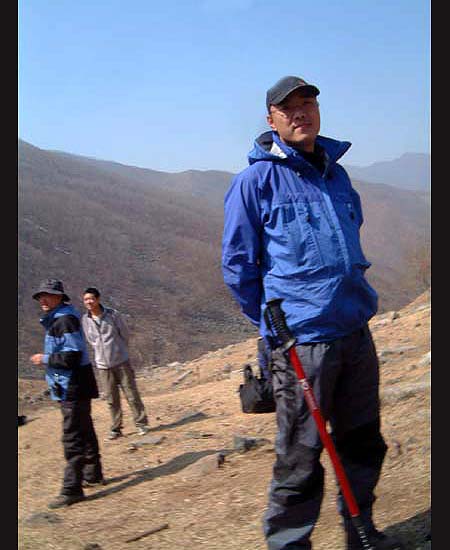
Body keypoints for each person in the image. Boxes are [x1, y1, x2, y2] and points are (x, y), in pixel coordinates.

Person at [222, 76, 403, 549]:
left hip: (354, 332)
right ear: (271, 120)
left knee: (363, 442)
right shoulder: (254, 183)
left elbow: (351, 236)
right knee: (300, 457)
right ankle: (290, 543)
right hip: (302, 343)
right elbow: (238, 266)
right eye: (289, 108)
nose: (301, 113)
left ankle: (361, 532)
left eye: (308, 104)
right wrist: (273, 323)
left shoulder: (336, 175)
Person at [30, 278, 104, 509]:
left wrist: (44, 359)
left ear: (59, 297)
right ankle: (92, 473)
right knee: (85, 429)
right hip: (76, 383)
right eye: (40, 296)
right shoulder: (60, 317)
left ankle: (72, 489)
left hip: (72, 384)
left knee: (72, 436)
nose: (43, 300)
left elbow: (72, 356)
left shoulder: (64, 320)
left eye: (48, 295)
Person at [81, 287, 149, 440]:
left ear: (98, 299)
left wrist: (119, 350)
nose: (89, 302)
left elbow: (125, 334)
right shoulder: (85, 320)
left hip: (121, 362)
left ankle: (141, 423)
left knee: (131, 394)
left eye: (91, 299)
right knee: (112, 399)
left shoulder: (112, 315)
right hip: (103, 366)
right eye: (85, 299)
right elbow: (91, 340)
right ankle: (116, 428)